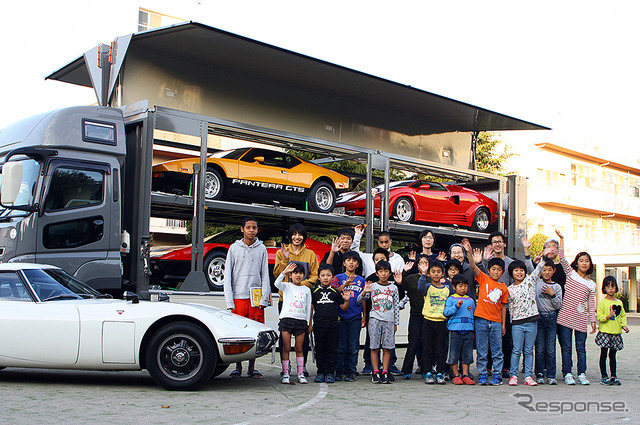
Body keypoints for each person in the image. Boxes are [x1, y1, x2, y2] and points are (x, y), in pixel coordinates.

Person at [223, 216, 271, 379]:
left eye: (254, 228)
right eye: (249, 227)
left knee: (255, 334)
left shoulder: (261, 249)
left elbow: (265, 274)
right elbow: (227, 276)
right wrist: (230, 302)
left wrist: (265, 298)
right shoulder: (234, 249)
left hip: (256, 299)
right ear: (242, 229)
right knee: (238, 335)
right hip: (238, 298)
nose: (251, 230)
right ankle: (238, 367)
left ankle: (252, 367)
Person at [461, 238, 508, 386]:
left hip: (495, 322)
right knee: (481, 350)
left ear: (502, 272)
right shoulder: (483, 278)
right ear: (489, 270)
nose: (496, 272)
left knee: (497, 351)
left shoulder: (503, 288)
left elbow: (504, 307)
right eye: (493, 269)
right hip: (481, 319)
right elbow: (474, 266)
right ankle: (482, 374)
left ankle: (497, 375)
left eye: (499, 270)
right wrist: (469, 252)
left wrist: (503, 324)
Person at [273, 223, 319, 376]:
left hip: (302, 303)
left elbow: (314, 276)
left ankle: (302, 366)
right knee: (284, 337)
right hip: (285, 302)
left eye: (300, 234)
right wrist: (285, 260)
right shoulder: (282, 252)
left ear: (304, 237)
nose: (297, 237)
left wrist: (299, 285)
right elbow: (277, 274)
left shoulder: (311, 254)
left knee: (303, 335)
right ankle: (284, 367)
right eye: (294, 234)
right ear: (290, 236)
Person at [555, 229, 596, 386]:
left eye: (587, 261)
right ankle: (567, 373)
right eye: (581, 260)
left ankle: (582, 373)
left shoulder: (591, 284)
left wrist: (592, 320)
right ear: (576, 263)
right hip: (565, 316)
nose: (584, 263)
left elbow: (591, 303)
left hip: (580, 318)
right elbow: (562, 257)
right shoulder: (570, 274)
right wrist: (562, 239)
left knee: (581, 348)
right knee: (566, 347)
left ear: (590, 264)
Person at [358, 260, 400, 384]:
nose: (383, 274)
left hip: (388, 321)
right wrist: (365, 291)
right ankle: (375, 371)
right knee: (374, 347)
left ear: (390, 273)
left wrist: (395, 323)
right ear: (376, 273)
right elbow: (359, 300)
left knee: (387, 348)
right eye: (380, 271)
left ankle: (385, 371)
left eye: (386, 271)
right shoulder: (373, 286)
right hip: (374, 320)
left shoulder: (393, 288)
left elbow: (396, 307)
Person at [506, 257, 546, 386]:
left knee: (528, 350)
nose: (519, 272)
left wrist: (544, 257)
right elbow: (510, 307)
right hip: (517, 323)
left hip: (532, 321)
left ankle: (528, 376)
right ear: (511, 273)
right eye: (516, 270)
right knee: (516, 350)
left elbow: (539, 269)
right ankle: (514, 375)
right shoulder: (509, 289)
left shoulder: (530, 281)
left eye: (522, 270)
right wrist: (511, 322)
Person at [309, 264, 350, 384]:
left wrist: (347, 300)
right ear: (318, 277)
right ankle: (320, 372)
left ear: (333, 277)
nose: (325, 278)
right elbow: (311, 308)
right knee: (320, 350)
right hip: (318, 325)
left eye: (328, 275)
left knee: (332, 350)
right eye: (323, 275)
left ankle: (330, 373)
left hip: (333, 326)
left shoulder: (335, 292)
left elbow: (343, 308)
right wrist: (310, 324)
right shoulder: (314, 291)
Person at [275, 262, 313, 384]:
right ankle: (286, 373)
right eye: (295, 273)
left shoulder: (306, 289)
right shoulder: (286, 286)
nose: (298, 275)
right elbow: (276, 283)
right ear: (291, 275)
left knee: (299, 348)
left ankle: (300, 373)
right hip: (287, 320)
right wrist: (284, 272)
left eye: (301, 273)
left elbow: (308, 307)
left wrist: (308, 323)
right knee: (286, 347)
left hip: (301, 321)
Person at [331, 250, 366, 381]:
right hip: (340, 315)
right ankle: (339, 370)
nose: (351, 263)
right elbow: (333, 293)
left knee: (353, 345)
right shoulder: (338, 278)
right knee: (341, 346)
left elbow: (363, 299)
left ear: (358, 264)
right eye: (348, 260)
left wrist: (364, 316)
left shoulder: (361, 280)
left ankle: (351, 370)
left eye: (354, 261)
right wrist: (344, 285)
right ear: (344, 263)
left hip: (355, 316)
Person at [418, 259, 453, 385]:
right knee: (427, 348)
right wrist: (422, 273)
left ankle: (440, 372)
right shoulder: (427, 287)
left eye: (439, 272)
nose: (436, 274)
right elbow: (420, 288)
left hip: (442, 322)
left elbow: (453, 299)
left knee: (440, 349)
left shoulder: (447, 289)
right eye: (433, 272)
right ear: (429, 274)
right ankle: (427, 372)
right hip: (428, 321)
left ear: (443, 273)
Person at [534, 258, 563, 385]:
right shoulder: (537, 283)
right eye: (544, 270)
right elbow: (532, 270)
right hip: (539, 317)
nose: (546, 272)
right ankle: (540, 373)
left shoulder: (557, 287)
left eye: (549, 270)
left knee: (550, 348)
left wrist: (552, 294)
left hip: (551, 318)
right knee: (539, 348)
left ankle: (551, 375)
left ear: (554, 271)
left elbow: (558, 305)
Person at [595, 276, 629, 386]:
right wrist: (608, 316)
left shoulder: (619, 303)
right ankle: (604, 376)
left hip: (616, 333)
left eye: (613, 286)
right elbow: (600, 317)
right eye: (608, 286)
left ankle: (613, 375)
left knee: (613, 355)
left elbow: (622, 315)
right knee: (603, 354)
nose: (611, 289)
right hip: (605, 332)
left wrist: (624, 326)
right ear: (604, 288)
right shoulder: (602, 303)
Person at [443, 274, 476, 385]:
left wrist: (473, 329)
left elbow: (473, 315)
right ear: (454, 287)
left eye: (465, 286)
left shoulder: (471, 300)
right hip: (455, 331)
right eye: (460, 286)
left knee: (467, 354)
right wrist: (456, 306)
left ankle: (465, 375)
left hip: (468, 330)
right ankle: (456, 375)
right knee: (454, 353)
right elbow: (446, 313)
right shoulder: (451, 299)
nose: (463, 288)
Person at [399, 254, 428, 378]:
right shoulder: (410, 278)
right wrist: (404, 271)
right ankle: (406, 370)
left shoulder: (433, 278)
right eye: (420, 263)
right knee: (413, 343)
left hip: (429, 316)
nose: (423, 265)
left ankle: (425, 368)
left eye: (426, 263)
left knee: (427, 343)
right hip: (415, 314)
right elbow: (400, 285)